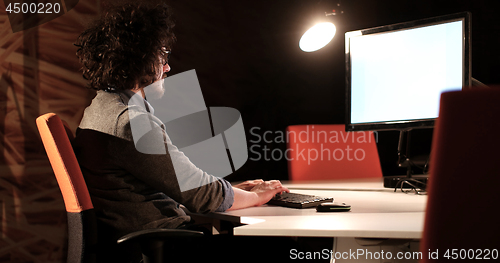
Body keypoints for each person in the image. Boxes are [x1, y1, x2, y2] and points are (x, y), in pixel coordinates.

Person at [73, 1, 290, 262]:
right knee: (290, 250)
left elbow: (185, 185)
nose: (167, 67)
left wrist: (237, 192)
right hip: (168, 245)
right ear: (140, 59)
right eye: (162, 55)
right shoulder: (130, 121)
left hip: (149, 241)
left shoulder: (99, 109)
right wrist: (257, 197)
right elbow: (201, 197)